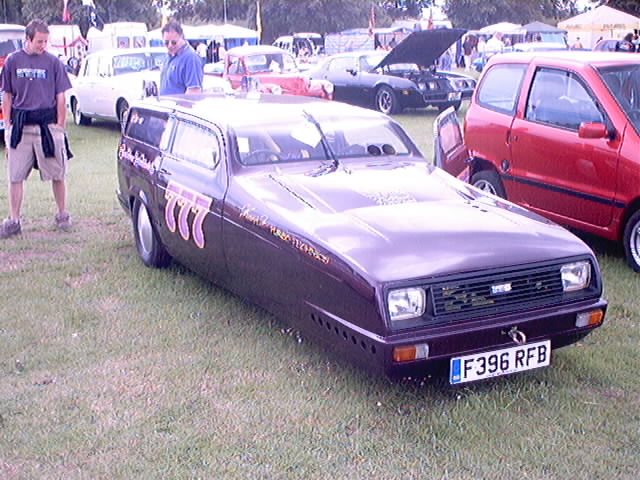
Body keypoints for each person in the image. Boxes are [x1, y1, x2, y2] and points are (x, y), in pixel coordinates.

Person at [0, 19, 73, 239]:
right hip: (21, 127)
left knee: (57, 173)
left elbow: (61, 96)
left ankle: (62, 215)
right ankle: (14, 221)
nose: (43, 45)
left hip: (47, 126)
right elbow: (8, 95)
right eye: (39, 41)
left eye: (45, 41)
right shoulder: (13, 61)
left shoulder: (53, 63)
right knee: (15, 176)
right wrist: (8, 127)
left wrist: (59, 127)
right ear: (28, 39)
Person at [159, 20, 203, 95]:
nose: (170, 45)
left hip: (177, 106)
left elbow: (194, 92)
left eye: (174, 42)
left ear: (182, 38)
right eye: (166, 43)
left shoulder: (191, 59)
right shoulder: (168, 57)